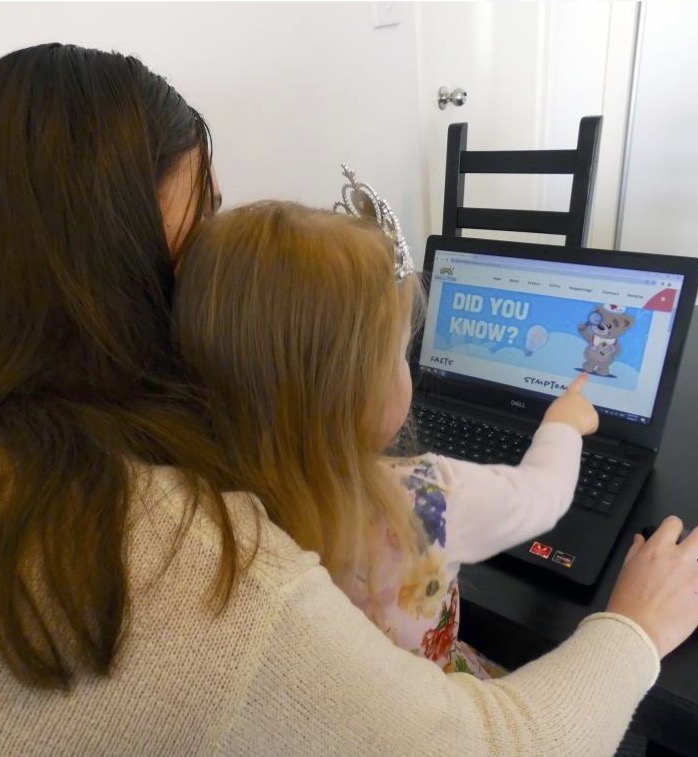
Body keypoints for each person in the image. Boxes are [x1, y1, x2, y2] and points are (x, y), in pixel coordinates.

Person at [0, 43, 698, 756]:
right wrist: (631, 629)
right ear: (106, 280)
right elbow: (502, 741)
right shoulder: (186, 558)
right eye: (197, 230)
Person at [173, 198, 602, 678]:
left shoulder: (194, 490)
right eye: (401, 353)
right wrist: (564, 424)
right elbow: (542, 496)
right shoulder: (425, 498)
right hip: (425, 705)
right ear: (355, 390)